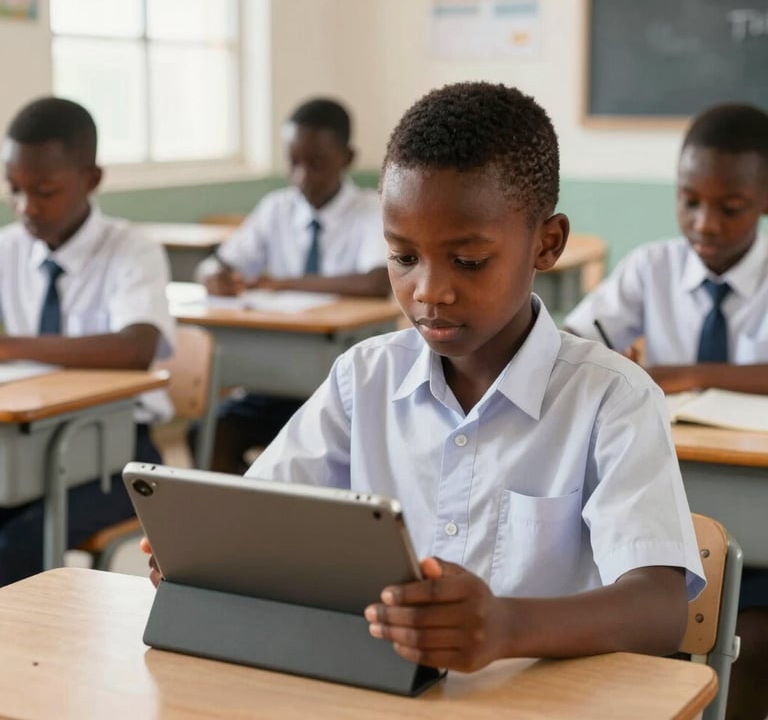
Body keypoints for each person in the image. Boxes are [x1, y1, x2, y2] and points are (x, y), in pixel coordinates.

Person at [146, 82, 704, 669]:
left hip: (541, 699)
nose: (429, 290)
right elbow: (257, 517)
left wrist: (508, 626)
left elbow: (660, 609)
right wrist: (208, 556)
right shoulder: (363, 379)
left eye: (468, 260)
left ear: (548, 243)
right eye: (403, 257)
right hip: (384, 689)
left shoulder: (610, 398)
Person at [564, 102, 768, 720]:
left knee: (751, 645)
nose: (704, 223)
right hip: (660, 513)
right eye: (689, 201)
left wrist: (688, 373)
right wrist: (606, 361)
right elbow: (572, 343)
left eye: (729, 207)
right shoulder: (651, 266)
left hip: (756, 532)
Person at [0, 96, 175, 585]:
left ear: (91, 179)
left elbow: (134, 348)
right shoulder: (8, 247)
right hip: (28, 444)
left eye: (45, 190)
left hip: (118, 452)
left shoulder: (131, 249)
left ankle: (24, 657)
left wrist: (12, 346)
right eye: (13, 189)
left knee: (15, 546)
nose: (25, 206)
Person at [195, 97, 390, 473]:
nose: (302, 175)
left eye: (315, 163)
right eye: (293, 162)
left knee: (327, 460)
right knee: (209, 433)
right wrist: (212, 275)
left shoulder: (372, 209)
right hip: (275, 382)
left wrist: (281, 283)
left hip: (346, 389)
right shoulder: (277, 208)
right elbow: (218, 262)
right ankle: (245, 524)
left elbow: (375, 282)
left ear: (347, 158)